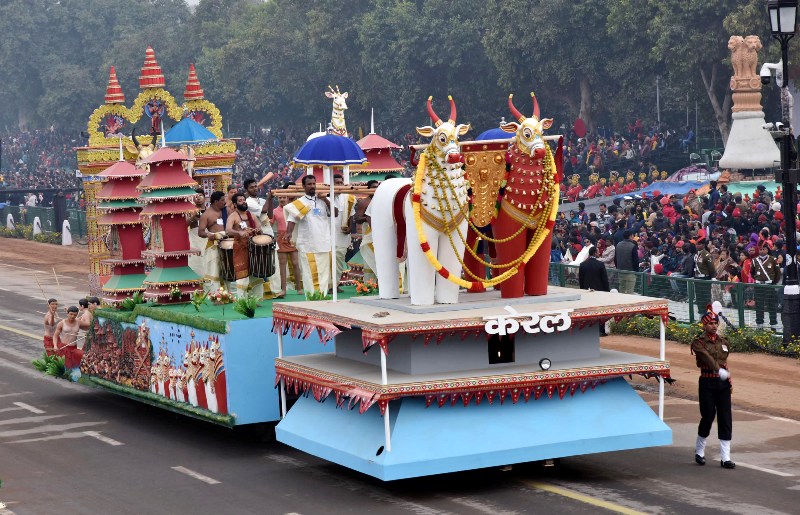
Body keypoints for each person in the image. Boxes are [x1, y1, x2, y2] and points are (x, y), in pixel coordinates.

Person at [691, 304, 735, 469]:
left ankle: (726, 457)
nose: (714, 325)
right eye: (710, 323)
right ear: (704, 325)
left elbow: (723, 360)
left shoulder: (724, 342)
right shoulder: (698, 343)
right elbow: (706, 358)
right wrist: (718, 370)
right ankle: (700, 450)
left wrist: (727, 378)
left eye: (716, 323)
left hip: (722, 383)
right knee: (708, 416)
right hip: (707, 382)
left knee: (725, 418)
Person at [283, 175, 337, 298]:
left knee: (324, 273)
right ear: (303, 186)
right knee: (309, 273)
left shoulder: (323, 201)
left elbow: (335, 213)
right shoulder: (300, 202)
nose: (312, 186)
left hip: (324, 242)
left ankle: (322, 297)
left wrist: (326, 200)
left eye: (314, 183)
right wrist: (289, 233)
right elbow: (292, 219)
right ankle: (312, 298)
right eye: (309, 184)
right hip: (308, 244)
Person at [244, 178, 281, 297]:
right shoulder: (248, 202)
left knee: (273, 261)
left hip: (268, 230)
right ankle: (265, 291)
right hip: (259, 234)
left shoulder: (261, 200)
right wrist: (269, 199)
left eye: (256, 186)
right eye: (252, 187)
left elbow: (270, 214)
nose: (255, 188)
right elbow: (263, 210)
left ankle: (275, 290)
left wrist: (270, 200)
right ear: (247, 189)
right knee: (262, 262)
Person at [226, 192, 262, 298]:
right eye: (240, 200)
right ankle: (242, 299)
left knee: (256, 272)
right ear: (235, 204)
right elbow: (228, 230)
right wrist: (239, 233)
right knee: (242, 273)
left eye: (244, 200)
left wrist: (258, 229)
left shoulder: (252, 215)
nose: (243, 202)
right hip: (240, 248)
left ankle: (257, 298)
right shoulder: (233, 216)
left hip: (253, 247)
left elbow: (260, 228)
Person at [198, 191, 228, 292]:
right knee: (214, 271)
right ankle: (216, 295)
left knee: (226, 270)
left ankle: (227, 294)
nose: (225, 202)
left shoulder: (227, 211)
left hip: (227, 244)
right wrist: (209, 235)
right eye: (222, 200)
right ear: (216, 201)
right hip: (214, 245)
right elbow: (201, 232)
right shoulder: (206, 215)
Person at [273, 193, 302, 296]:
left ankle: (299, 288)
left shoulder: (292, 209)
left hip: (292, 237)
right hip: (281, 237)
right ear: (277, 198)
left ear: (287, 198)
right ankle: (284, 290)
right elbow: (270, 223)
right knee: (282, 264)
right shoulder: (275, 211)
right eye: (280, 197)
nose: (282, 199)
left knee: (295, 263)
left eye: (284, 197)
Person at [332, 174, 356, 292]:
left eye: (341, 183)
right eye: (336, 183)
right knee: (329, 262)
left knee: (339, 262)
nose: (339, 185)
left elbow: (352, 214)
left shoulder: (349, 198)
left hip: (342, 236)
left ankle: (335, 285)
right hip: (328, 236)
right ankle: (328, 286)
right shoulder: (326, 196)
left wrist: (350, 227)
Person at [578, 246, 610, 336]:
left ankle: (588, 330)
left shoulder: (583, 264)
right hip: (600, 292)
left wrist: (582, 291)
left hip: (587, 292)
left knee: (588, 311)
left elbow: (581, 280)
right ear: (595, 253)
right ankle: (601, 330)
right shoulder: (600, 264)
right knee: (600, 311)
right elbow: (605, 280)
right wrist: (607, 291)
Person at [354, 180, 379, 282]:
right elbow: (357, 219)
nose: (375, 189)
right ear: (368, 189)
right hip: (369, 234)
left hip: (380, 236)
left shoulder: (381, 200)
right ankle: (369, 284)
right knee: (369, 260)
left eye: (377, 187)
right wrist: (368, 218)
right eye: (373, 187)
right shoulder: (364, 202)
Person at [752, 242, 779, 329]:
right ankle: (759, 324)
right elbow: (752, 273)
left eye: (764, 249)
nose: (762, 251)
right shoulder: (754, 260)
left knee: (771, 305)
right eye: (760, 249)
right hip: (759, 285)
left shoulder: (773, 259)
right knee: (759, 305)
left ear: (767, 250)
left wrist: (773, 282)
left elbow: (777, 273)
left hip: (769, 285)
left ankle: (773, 324)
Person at [694, 236, 715, 317]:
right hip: (697, 278)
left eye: (699, 244)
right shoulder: (696, 254)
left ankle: (708, 315)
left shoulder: (706, 255)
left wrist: (712, 277)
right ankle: (701, 314)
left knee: (706, 297)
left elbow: (711, 268)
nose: (697, 246)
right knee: (699, 297)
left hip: (705, 278)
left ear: (703, 245)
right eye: (696, 244)